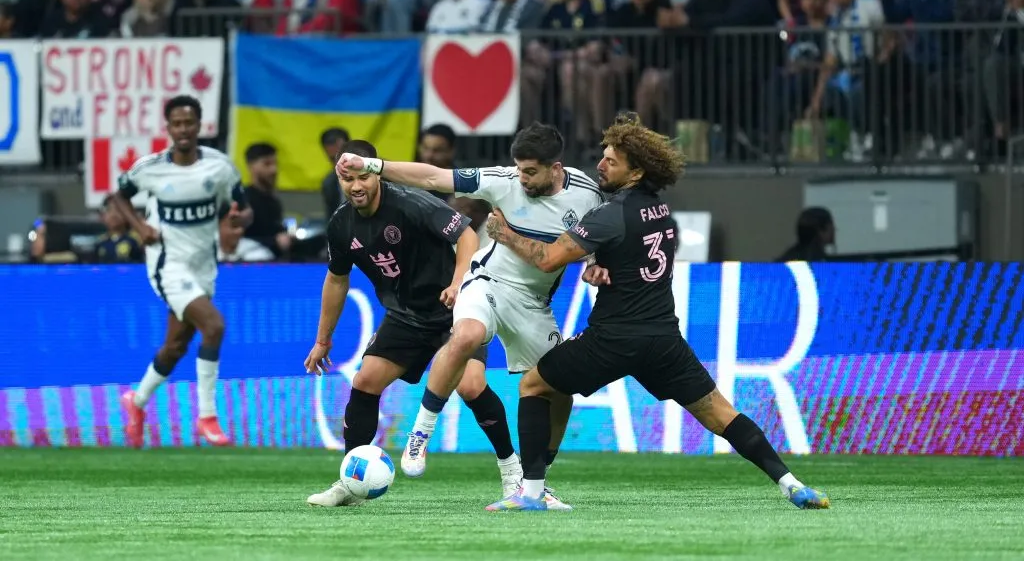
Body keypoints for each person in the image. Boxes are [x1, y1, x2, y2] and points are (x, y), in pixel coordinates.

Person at [482, 113, 831, 512]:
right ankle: (792, 484)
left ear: (636, 170)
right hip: (664, 339)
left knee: (533, 384)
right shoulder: (661, 212)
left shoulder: (610, 214)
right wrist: (602, 266)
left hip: (613, 338)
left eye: (611, 161)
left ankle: (530, 494)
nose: (600, 165)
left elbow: (546, 259)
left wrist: (506, 234)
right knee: (720, 413)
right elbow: (631, 257)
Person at [337, 123, 605, 511]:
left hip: (533, 303)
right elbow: (433, 176)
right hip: (487, 280)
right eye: (518, 168)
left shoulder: (587, 193)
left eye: (530, 171)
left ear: (555, 167)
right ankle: (420, 434)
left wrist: (596, 261)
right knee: (465, 335)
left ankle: (535, 480)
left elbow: (602, 235)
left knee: (558, 387)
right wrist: (374, 165)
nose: (521, 178)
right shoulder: (502, 180)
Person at [304, 140, 518, 506]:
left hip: (456, 311)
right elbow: (337, 279)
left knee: (470, 386)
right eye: (347, 180)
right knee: (366, 380)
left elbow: (466, 235)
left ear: (374, 172)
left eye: (362, 177)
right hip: (406, 315)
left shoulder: (410, 202)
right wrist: (323, 339)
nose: (356, 186)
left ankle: (513, 475)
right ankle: (350, 481)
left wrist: (457, 282)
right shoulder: (341, 225)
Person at [114, 95, 253, 448]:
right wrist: (139, 227)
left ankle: (137, 400)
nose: (183, 129)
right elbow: (119, 197)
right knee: (214, 326)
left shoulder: (219, 167)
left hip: (204, 263)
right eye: (177, 123)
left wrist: (238, 219)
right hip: (167, 264)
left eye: (189, 122)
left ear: (200, 125)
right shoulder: (151, 168)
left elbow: (244, 208)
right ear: (169, 128)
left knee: (176, 345)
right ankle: (207, 416)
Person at [320, 127, 350, 218]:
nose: (339, 164)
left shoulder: (375, 172)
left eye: (342, 157)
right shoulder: (328, 184)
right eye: (334, 159)